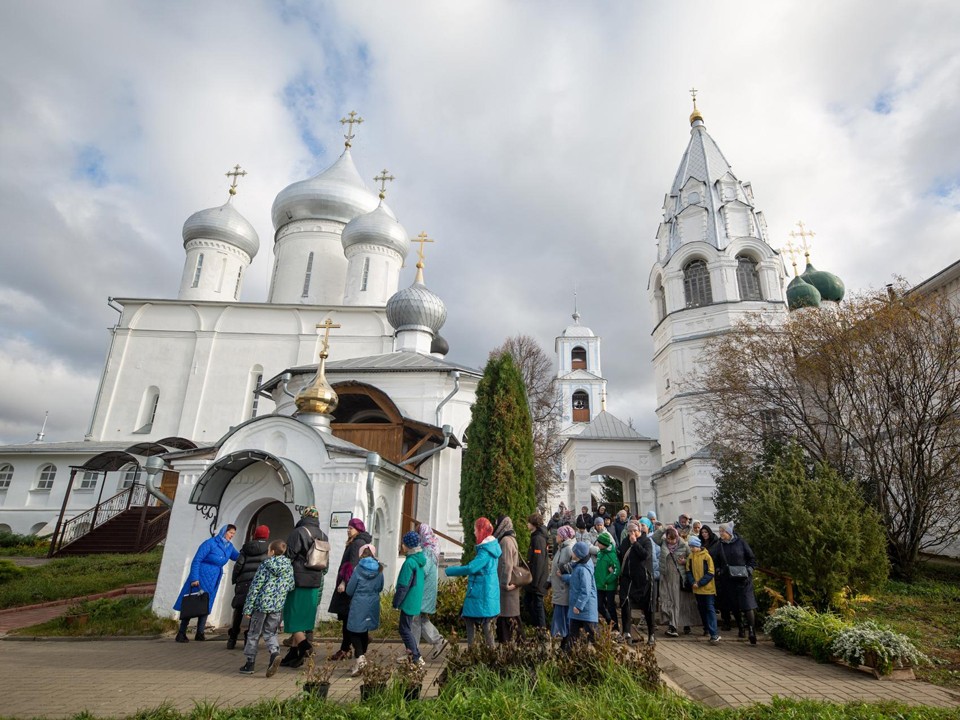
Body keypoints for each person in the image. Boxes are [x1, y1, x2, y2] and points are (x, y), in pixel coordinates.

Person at [173, 524, 239, 643]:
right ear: (224, 532)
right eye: (230, 533)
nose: (232, 536)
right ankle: (181, 632)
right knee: (192, 603)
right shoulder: (210, 543)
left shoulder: (229, 547)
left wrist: (250, 551)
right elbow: (197, 560)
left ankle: (200, 632)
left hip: (214, 577)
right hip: (201, 576)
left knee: (206, 603)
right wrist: (194, 578)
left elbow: (237, 557)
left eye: (233, 534)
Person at [279, 506, 327, 668]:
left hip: (298, 579)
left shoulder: (298, 532)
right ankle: (294, 655)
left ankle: (304, 646)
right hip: (314, 580)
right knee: (304, 617)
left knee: (292, 616)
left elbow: (289, 556)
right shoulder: (323, 535)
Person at [239, 539, 295, 677]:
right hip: (276, 606)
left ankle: (250, 663)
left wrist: (247, 608)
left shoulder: (265, 564)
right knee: (271, 632)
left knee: (253, 633)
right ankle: (274, 653)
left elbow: (255, 586)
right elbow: (291, 585)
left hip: (261, 605)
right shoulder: (288, 566)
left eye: (269, 549)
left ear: (273, 551)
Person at [445, 517, 501, 647]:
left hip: (481, 594)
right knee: (483, 623)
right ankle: (487, 655)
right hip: (486, 592)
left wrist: (449, 570)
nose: (474, 533)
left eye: (476, 530)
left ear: (481, 530)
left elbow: (471, 568)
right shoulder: (491, 548)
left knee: (475, 621)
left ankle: (475, 652)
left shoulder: (485, 551)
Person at [328, 517, 372, 661]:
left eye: (351, 528)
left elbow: (352, 565)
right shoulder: (359, 542)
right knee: (347, 618)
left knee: (348, 618)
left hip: (349, 587)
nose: (348, 530)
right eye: (347, 527)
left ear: (358, 529)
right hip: (352, 585)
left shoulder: (357, 543)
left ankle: (347, 649)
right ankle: (348, 648)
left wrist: (344, 583)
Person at [713, 521, 759, 644]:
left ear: (729, 532)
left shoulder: (741, 543)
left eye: (723, 531)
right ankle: (741, 628)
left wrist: (749, 570)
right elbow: (715, 560)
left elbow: (752, 559)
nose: (721, 533)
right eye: (720, 531)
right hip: (728, 580)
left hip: (744, 579)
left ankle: (751, 631)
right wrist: (719, 570)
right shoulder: (720, 545)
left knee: (748, 605)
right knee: (735, 605)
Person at [227, 524, 270, 650]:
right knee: (255, 612)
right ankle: (249, 639)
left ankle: (232, 638)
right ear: (267, 536)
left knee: (239, 610)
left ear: (255, 535)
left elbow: (238, 566)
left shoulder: (246, 548)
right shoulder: (268, 549)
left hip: (243, 583)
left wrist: (235, 580)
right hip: (259, 584)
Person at [346, 544, 384, 676]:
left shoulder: (358, 569)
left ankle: (360, 658)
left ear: (361, 554)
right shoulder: (379, 568)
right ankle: (361, 660)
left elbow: (350, 589)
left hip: (359, 602)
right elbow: (380, 587)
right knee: (364, 630)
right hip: (373, 601)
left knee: (353, 631)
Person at [414, 523, 449, 659]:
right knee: (421, 619)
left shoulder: (427, 552)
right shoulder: (432, 547)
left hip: (422, 592)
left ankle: (413, 650)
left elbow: (422, 571)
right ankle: (438, 641)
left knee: (414, 620)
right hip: (427, 591)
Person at [619, 521, 656, 645]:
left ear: (639, 530)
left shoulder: (646, 541)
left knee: (648, 607)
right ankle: (626, 632)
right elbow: (622, 556)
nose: (631, 533)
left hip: (644, 580)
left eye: (634, 531)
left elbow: (645, 555)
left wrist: (635, 543)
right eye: (629, 531)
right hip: (629, 579)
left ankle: (651, 634)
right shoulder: (625, 542)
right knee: (625, 603)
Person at [659, 526, 697, 638]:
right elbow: (655, 538)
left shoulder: (684, 545)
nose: (671, 541)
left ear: (677, 537)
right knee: (666, 599)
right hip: (666, 577)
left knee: (678, 602)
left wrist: (685, 561)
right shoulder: (663, 543)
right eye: (669, 539)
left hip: (679, 578)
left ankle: (674, 626)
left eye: (673, 539)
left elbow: (693, 559)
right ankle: (672, 624)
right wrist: (665, 528)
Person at [395, 531, 427, 666]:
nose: (401, 545)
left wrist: (396, 601)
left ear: (407, 545)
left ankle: (415, 655)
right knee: (406, 627)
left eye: (403, 543)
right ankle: (411, 654)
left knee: (404, 629)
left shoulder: (409, 563)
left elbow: (403, 585)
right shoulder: (418, 560)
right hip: (415, 599)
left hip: (408, 600)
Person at [562, 541, 598, 646]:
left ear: (578, 554)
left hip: (585, 609)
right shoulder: (580, 566)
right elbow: (575, 580)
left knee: (593, 636)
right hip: (579, 610)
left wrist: (578, 605)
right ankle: (569, 656)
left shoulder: (583, 569)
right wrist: (563, 577)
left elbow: (585, 590)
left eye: (573, 552)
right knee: (573, 635)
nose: (571, 554)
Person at [493, 515, 522, 643]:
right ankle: (517, 642)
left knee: (507, 616)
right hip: (512, 583)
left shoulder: (505, 541)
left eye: (497, 523)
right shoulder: (512, 538)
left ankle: (509, 644)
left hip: (507, 585)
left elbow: (506, 563)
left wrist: (504, 583)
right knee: (513, 616)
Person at [686, 536, 719, 644]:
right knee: (702, 609)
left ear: (697, 546)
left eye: (692, 546)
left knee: (709, 609)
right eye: (690, 546)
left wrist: (699, 583)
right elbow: (688, 571)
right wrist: (692, 582)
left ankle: (714, 633)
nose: (691, 549)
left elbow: (710, 572)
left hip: (707, 589)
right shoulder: (690, 557)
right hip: (697, 588)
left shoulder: (706, 557)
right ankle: (707, 629)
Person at [549, 524, 576, 645]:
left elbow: (573, 568)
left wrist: (564, 573)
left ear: (563, 537)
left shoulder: (568, 549)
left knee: (564, 617)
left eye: (558, 535)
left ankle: (567, 643)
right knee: (560, 617)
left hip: (564, 588)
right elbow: (554, 567)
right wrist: (549, 580)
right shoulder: (560, 548)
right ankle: (564, 642)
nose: (556, 536)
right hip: (558, 588)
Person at [525, 513, 550, 628]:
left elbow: (539, 562)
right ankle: (540, 627)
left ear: (534, 524)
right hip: (535, 579)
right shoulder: (536, 537)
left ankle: (542, 629)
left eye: (529, 522)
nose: (527, 524)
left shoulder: (538, 539)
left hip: (537, 580)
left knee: (537, 605)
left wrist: (535, 582)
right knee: (529, 603)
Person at [593, 530, 620, 631]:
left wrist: (607, 580)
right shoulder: (600, 553)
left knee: (611, 606)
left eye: (599, 543)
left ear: (604, 544)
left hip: (608, 586)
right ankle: (609, 621)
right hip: (599, 585)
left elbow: (616, 570)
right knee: (599, 605)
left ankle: (615, 626)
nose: (597, 544)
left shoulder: (611, 555)